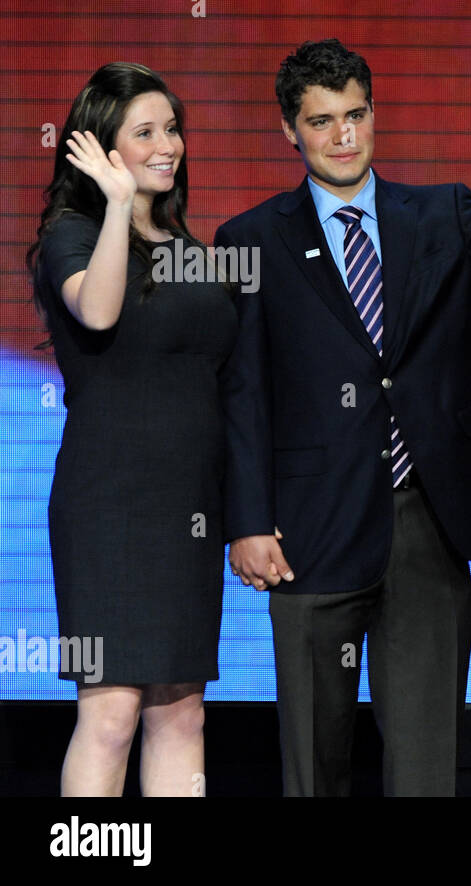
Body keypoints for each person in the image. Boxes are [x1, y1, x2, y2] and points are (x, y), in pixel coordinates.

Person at [219, 39, 471, 796]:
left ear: (374, 114)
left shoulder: (442, 213)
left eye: (356, 115)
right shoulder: (250, 239)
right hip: (308, 529)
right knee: (311, 766)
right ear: (291, 130)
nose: (344, 136)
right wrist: (246, 521)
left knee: (424, 766)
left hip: (428, 524)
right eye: (322, 122)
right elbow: (244, 393)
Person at [27, 63, 235, 796]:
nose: (167, 144)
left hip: (189, 510)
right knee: (111, 711)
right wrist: (117, 207)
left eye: (172, 128)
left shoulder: (196, 253)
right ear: (102, 149)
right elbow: (100, 311)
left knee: (181, 713)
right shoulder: (70, 235)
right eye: (144, 131)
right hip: (109, 506)